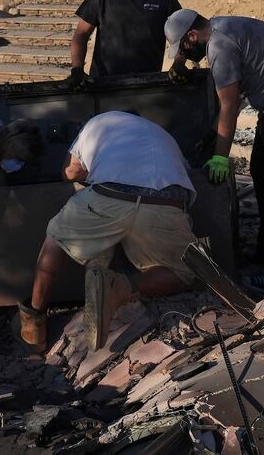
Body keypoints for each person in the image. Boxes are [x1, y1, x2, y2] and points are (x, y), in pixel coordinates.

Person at [165, 9, 264, 288]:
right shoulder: (219, 27)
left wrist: (220, 157)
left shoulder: (219, 47)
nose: (187, 55)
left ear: (192, 35)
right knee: (261, 173)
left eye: (185, 49)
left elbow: (229, 106)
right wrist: (178, 63)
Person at [18, 111, 197, 351]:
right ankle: (122, 288)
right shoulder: (162, 134)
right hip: (167, 203)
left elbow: (70, 173)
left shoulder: (95, 123)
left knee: (56, 239)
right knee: (182, 271)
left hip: (110, 195)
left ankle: (34, 322)